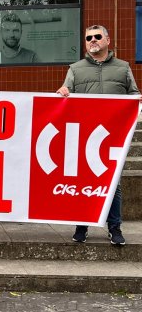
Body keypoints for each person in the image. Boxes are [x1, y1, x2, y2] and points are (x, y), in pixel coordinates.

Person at [57, 24, 139, 246]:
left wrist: (135, 100)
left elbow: (133, 95)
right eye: (88, 38)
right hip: (85, 136)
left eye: (97, 36)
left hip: (114, 137)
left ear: (107, 40)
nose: (92, 40)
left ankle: (115, 228)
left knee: (113, 184)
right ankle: (81, 226)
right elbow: (65, 95)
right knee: (83, 182)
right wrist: (62, 92)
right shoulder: (75, 69)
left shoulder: (123, 68)